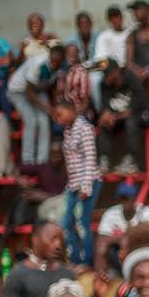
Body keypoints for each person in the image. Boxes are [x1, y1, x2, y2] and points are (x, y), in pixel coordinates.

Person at [50, 100, 101, 267]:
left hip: (88, 182)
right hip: (73, 184)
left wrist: (86, 186)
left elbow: (90, 158)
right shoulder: (68, 131)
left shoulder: (84, 128)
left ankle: (86, 262)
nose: (58, 119)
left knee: (83, 223)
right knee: (67, 223)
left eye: (60, 114)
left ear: (71, 110)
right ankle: (75, 259)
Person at [4, 222, 77, 297]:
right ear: (35, 239)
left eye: (61, 240)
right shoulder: (18, 273)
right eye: (53, 239)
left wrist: (96, 296)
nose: (58, 245)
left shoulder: (67, 274)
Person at [7, 41, 62, 166]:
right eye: (52, 60)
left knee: (43, 120)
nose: (54, 64)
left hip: (38, 90)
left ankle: (42, 161)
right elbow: (29, 92)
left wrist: (51, 108)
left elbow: (50, 86)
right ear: (49, 55)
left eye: (57, 62)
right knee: (31, 119)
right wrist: (47, 108)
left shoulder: (60, 66)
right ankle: (28, 161)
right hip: (19, 90)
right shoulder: (38, 63)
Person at [97, 60, 149, 175]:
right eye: (104, 74)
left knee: (131, 122)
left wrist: (115, 116)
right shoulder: (104, 85)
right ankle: (104, 160)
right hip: (119, 118)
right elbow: (105, 106)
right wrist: (106, 116)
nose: (105, 77)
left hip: (140, 115)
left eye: (108, 74)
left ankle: (131, 161)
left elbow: (139, 104)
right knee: (104, 123)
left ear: (116, 72)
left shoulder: (131, 79)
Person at [94, 182, 149, 276]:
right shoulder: (111, 213)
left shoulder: (145, 211)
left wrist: (126, 238)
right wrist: (121, 239)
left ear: (135, 199)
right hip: (118, 251)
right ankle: (101, 277)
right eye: (122, 198)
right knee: (102, 247)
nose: (124, 201)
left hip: (139, 250)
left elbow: (146, 235)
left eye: (127, 198)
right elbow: (102, 240)